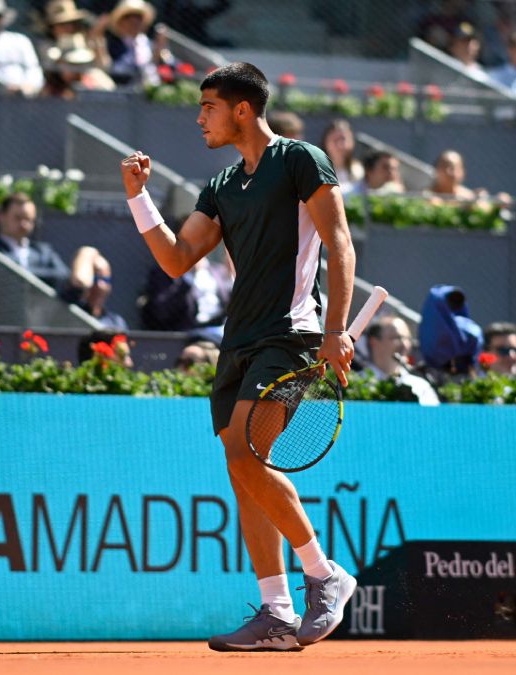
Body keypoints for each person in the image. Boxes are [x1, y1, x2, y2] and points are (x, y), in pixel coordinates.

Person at [119, 62, 358, 652]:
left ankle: (325, 575)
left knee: (249, 454)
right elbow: (177, 259)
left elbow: (340, 242)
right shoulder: (222, 186)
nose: (200, 118)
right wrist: (138, 198)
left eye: (209, 107)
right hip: (240, 342)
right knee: (241, 466)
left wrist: (336, 331)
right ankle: (277, 613)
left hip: (292, 333)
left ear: (243, 110)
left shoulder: (301, 160)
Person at [363, 317, 439, 406]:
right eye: (397, 338)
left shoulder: (420, 387)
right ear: (374, 342)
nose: (404, 344)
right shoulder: (357, 384)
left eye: (407, 339)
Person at [104, 0, 173, 87]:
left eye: (139, 17)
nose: (135, 21)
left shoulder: (148, 43)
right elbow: (114, 70)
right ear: (121, 21)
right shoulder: (113, 45)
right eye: (129, 17)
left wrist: (159, 48)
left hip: (150, 89)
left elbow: (154, 65)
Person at [418, 284, 482, 378]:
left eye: (457, 301)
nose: (453, 304)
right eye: (450, 301)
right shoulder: (433, 326)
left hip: (464, 376)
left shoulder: (468, 326)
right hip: (434, 375)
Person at [425, 149, 511, 208]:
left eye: (455, 167)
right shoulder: (425, 196)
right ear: (436, 170)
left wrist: (497, 203)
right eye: (445, 166)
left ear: (463, 172)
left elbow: (486, 208)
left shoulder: (467, 196)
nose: (450, 172)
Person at [319, 119, 362, 190]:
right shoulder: (316, 171)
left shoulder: (359, 170)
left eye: (343, 139)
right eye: (335, 140)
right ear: (325, 142)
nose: (339, 145)